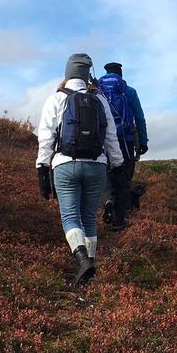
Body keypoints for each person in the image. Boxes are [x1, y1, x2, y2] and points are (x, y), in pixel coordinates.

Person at [36, 53, 125, 285]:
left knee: (70, 217)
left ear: (68, 73)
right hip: (97, 167)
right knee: (88, 217)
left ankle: (82, 259)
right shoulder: (100, 100)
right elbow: (111, 136)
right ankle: (91, 264)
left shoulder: (56, 98)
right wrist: (117, 164)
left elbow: (45, 137)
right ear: (87, 75)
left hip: (65, 165)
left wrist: (42, 168)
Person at [99, 61, 148, 231]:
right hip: (125, 140)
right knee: (124, 177)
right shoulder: (129, 92)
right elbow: (139, 118)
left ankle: (108, 202)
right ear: (121, 74)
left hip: (103, 140)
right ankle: (120, 218)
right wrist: (143, 141)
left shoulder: (97, 91)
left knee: (106, 174)